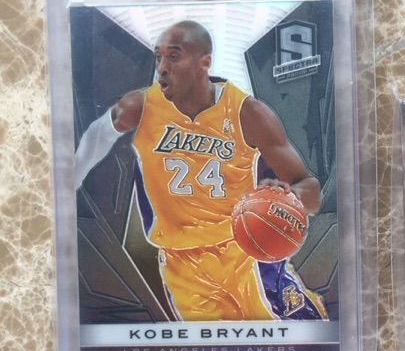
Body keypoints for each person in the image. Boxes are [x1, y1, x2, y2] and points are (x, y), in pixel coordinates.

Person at [75, 20, 326, 322]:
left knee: (296, 337)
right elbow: (99, 132)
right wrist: (70, 180)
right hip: (182, 264)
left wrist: (289, 200)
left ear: (204, 62)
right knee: (213, 346)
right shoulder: (141, 107)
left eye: (174, 56)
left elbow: (310, 189)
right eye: (158, 57)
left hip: (244, 249)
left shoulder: (247, 112)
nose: (162, 68)